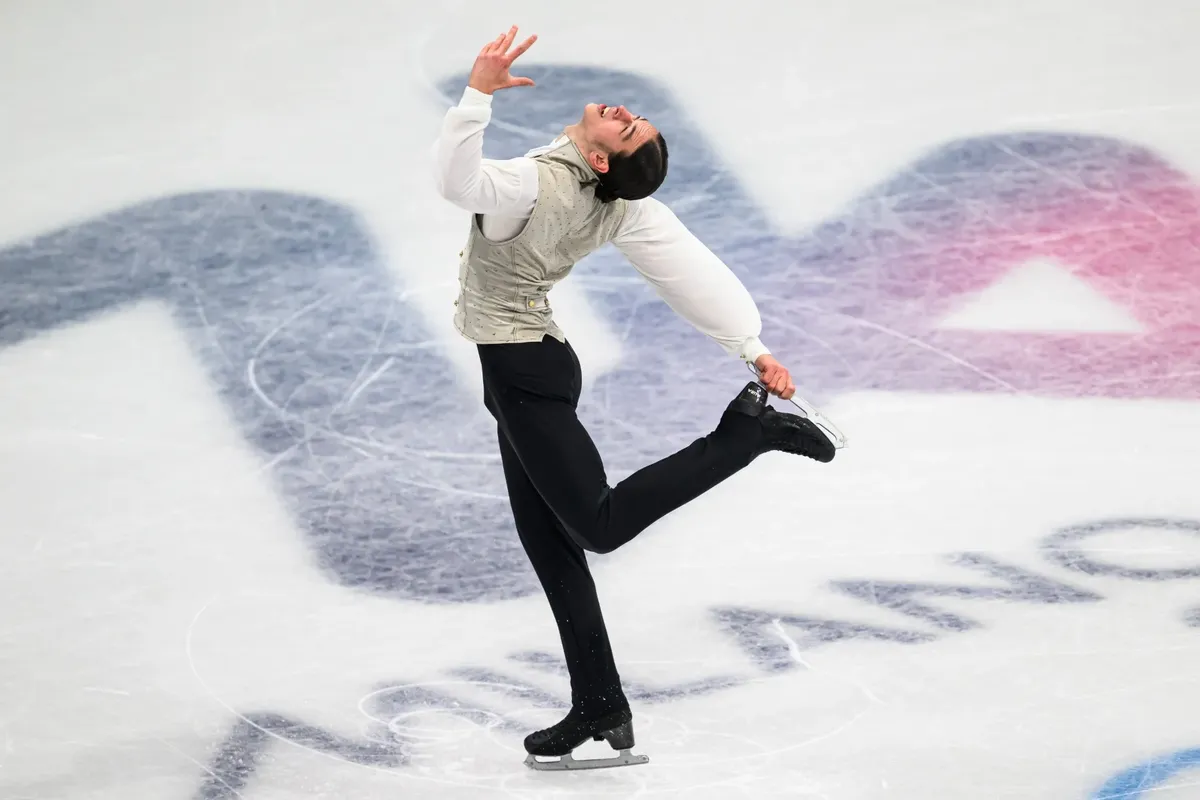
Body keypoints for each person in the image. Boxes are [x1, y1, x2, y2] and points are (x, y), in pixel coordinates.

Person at [432, 26, 836, 770]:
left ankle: (746, 437)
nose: (624, 113)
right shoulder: (614, 203)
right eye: (632, 119)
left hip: (527, 376)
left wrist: (477, 94)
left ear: (599, 159)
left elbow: (458, 184)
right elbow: (691, 272)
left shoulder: (535, 183)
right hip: (527, 372)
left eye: (628, 129)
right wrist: (750, 345)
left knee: (598, 526)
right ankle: (599, 703)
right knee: (551, 546)